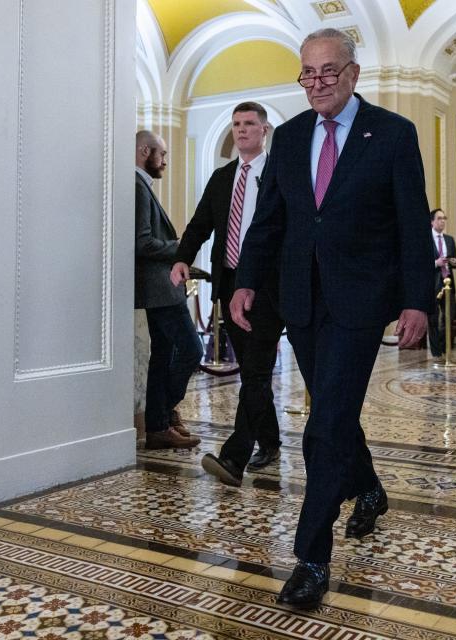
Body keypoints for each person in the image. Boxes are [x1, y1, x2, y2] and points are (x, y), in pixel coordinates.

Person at [229, 28, 434, 609]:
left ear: (352, 74)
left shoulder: (393, 134)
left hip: (362, 301)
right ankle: (368, 488)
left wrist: (417, 298)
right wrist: (246, 283)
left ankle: (311, 559)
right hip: (302, 300)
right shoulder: (290, 138)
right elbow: (268, 221)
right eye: (307, 73)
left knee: (326, 424)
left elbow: (411, 222)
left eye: (327, 72)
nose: (316, 83)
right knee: (335, 412)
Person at [170, 102, 285, 485]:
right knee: (254, 371)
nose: (242, 130)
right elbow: (200, 223)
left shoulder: (279, 173)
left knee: (255, 370)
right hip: (229, 282)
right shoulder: (222, 178)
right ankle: (269, 442)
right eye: (236, 124)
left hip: (268, 287)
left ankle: (234, 458)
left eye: (250, 123)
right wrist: (182, 258)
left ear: (264, 129)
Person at [134, 130, 203, 450]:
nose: (164, 161)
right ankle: (162, 413)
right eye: (161, 154)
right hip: (159, 290)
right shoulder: (137, 186)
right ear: (144, 151)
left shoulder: (142, 186)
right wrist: (180, 248)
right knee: (192, 349)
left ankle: (159, 424)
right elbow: (143, 242)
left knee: (163, 356)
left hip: (161, 288)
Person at [428, 208, 456, 358]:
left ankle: (443, 346)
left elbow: (455, 262)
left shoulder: (449, 239)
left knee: (449, 317)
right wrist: (436, 262)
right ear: (432, 221)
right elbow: (421, 263)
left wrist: (453, 261)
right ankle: (435, 351)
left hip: (448, 283)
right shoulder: (426, 239)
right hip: (433, 284)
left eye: (444, 218)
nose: (442, 221)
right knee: (433, 318)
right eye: (439, 218)